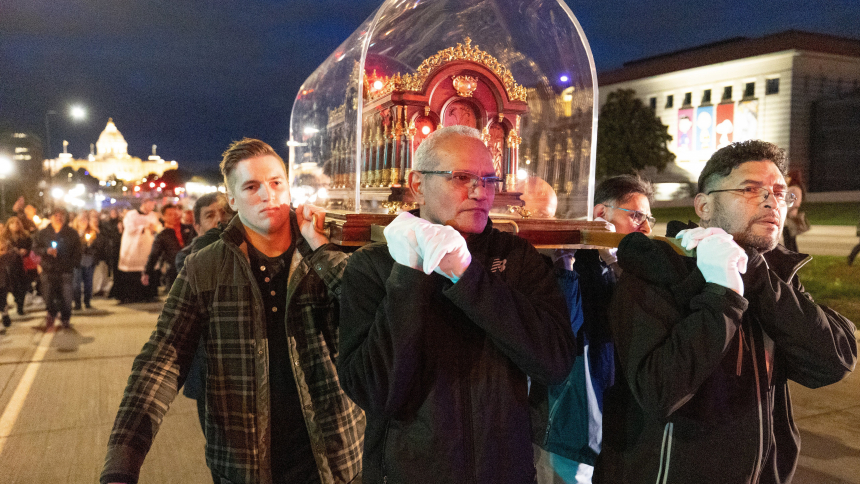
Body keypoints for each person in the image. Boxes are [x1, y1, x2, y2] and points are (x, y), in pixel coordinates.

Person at [102, 138, 364, 484]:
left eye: (276, 183)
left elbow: (371, 314)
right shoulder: (205, 267)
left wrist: (322, 251)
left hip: (333, 457)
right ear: (232, 199)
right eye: (252, 187)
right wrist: (122, 462)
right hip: (243, 464)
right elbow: (161, 360)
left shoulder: (325, 250)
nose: (268, 196)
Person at [594, 140, 857, 484]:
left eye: (780, 193)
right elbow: (658, 391)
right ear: (703, 205)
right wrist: (722, 294)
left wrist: (756, 276)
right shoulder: (657, 269)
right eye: (751, 189)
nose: (771, 201)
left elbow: (833, 360)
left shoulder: (774, 275)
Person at [337, 126, 575, 483]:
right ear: (418, 184)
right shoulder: (374, 266)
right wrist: (409, 273)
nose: (480, 192)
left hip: (504, 471)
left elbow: (555, 363)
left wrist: (467, 276)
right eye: (461, 177)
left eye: (489, 179)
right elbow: (375, 391)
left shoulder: (515, 257)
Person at [532, 175, 655, 484]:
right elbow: (565, 331)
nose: (647, 228)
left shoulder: (625, 270)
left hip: (614, 425)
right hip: (574, 426)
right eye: (637, 215)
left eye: (648, 218)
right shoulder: (572, 262)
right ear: (602, 215)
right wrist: (567, 267)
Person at [175, 191, 235, 431]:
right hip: (209, 369)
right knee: (217, 441)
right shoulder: (187, 258)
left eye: (226, 213)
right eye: (210, 215)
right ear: (197, 226)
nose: (220, 221)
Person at [33, 208, 82, 330]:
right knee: (48, 294)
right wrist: (46, 251)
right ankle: (52, 312)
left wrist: (72, 263)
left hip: (65, 270)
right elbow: (35, 248)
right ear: (51, 217)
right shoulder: (43, 233)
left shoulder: (71, 233)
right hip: (48, 270)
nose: (58, 218)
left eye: (61, 215)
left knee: (66, 296)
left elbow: (77, 250)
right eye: (56, 215)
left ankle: (65, 318)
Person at [113, 199, 161, 302]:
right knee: (132, 274)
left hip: (147, 247)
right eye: (150, 203)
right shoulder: (131, 215)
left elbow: (158, 227)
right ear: (144, 203)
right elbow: (130, 228)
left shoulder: (152, 215)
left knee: (147, 270)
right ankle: (131, 295)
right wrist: (144, 227)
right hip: (133, 248)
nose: (152, 206)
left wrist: (154, 229)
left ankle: (148, 295)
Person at [141, 203, 193, 290]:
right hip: (175, 273)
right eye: (170, 214)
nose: (174, 216)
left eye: (175, 213)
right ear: (163, 217)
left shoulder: (190, 229)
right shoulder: (162, 235)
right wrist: (147, 272)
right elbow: (154, 255)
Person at [71, 211, 104, 310]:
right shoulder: (73, 232)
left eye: (85, 220)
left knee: (88, 283)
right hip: (77, 261)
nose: (83, 222)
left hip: (89, 261)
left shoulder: (92, 232)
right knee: (76, 283)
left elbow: (99, 246)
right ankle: (77, 303)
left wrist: (90, 244)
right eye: (81, 220)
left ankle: (87, 302)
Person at [3, 216, 35, 315]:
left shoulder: (25, 236)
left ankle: (20, 306)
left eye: (17, 223)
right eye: (12, 223)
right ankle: (16, 302)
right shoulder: (5, 237)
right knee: (13, 286)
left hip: (22, 264)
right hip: (10, 265)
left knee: (22, 286)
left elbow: (30, 246)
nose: (15, 225)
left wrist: (25, 251)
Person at [781, 169, 806, 253]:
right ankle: (795, 258)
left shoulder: (792, 189)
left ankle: (791, 259)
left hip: (788, 218)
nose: (786, 178)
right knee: (792, 240)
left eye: (788, 176)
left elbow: (788, 203)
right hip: (792, 215)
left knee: (788, 241)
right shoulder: (797, 188)